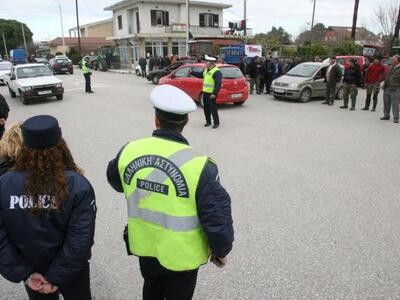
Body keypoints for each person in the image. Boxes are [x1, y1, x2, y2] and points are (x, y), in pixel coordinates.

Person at [106, 84, 234, 300]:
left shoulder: (128, 150)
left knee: (151, 290)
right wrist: (220, 251)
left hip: (145, 246)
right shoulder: (200, 165)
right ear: (186, 122)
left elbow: (116, 182)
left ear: (156, 120)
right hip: (182, 255)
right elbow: (216, 216)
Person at [0, 115, 96, 300]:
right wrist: (56, 276)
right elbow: (80, 240)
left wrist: (25, 274)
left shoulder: (5, 183)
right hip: (72, 271)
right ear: (60, 143)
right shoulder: (76, 184)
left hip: (32, 271)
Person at [191, 55, 223, 128]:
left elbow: (218, 84)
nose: (205, 63)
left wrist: (214, 93)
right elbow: (200, 75)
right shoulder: (206, 70)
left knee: (213, 109)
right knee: (206, 108)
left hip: (211, 94)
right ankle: (208, 121)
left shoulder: (217, 72)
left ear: (211, 63)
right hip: (205, 93)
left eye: (206, 62)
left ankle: (216, 123)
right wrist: (192, 72)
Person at [381, 55, 400, 123]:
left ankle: (396, 118)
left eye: (393, 59)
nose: (392, 60)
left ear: (397, 60)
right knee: (386, 102)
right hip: (387, 87)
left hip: (395, 88)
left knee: (395, 104)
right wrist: (384, 84)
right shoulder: (391, 67)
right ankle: (386, 115)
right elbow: (387, 76)